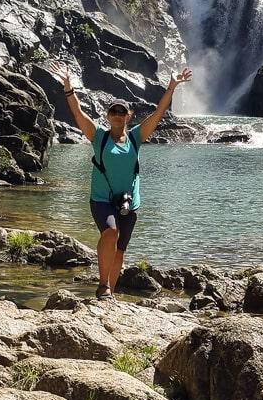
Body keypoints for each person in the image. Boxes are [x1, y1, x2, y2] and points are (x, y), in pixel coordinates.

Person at [50, 62, 192, 299]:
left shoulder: (136, 137)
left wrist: (172, 86)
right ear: (107, 116)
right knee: (110, 232)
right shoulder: (98, 136)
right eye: (113, 111)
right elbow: (77, 113)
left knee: (120, 250)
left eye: (121, 112)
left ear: (129, 116)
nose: (117, 115)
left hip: (129, 202)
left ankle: (110, 294)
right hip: (101, 199)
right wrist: (68, 86)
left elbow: (158, 113)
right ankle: (103, 285)